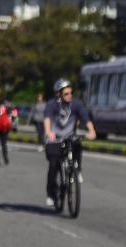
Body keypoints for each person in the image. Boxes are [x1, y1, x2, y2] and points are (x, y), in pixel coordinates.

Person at [43, 78, 96, 206]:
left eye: (71, 93)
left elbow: (85, 117)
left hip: (69, 136)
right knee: (54, 165)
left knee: (77, 145)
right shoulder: (52, 104)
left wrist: (92, 131)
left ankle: (77, 170)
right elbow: (47, 118)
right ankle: (51, 194)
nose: (69, 96)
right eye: (66, 94)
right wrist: (48, 132)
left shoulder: (76, 104)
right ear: (58, 94)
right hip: (54, 139)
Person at [0, 99, 14, 166]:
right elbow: (12, 117)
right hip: (5, 128)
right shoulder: (8, 108)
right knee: (4, 144)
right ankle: (6, 159)